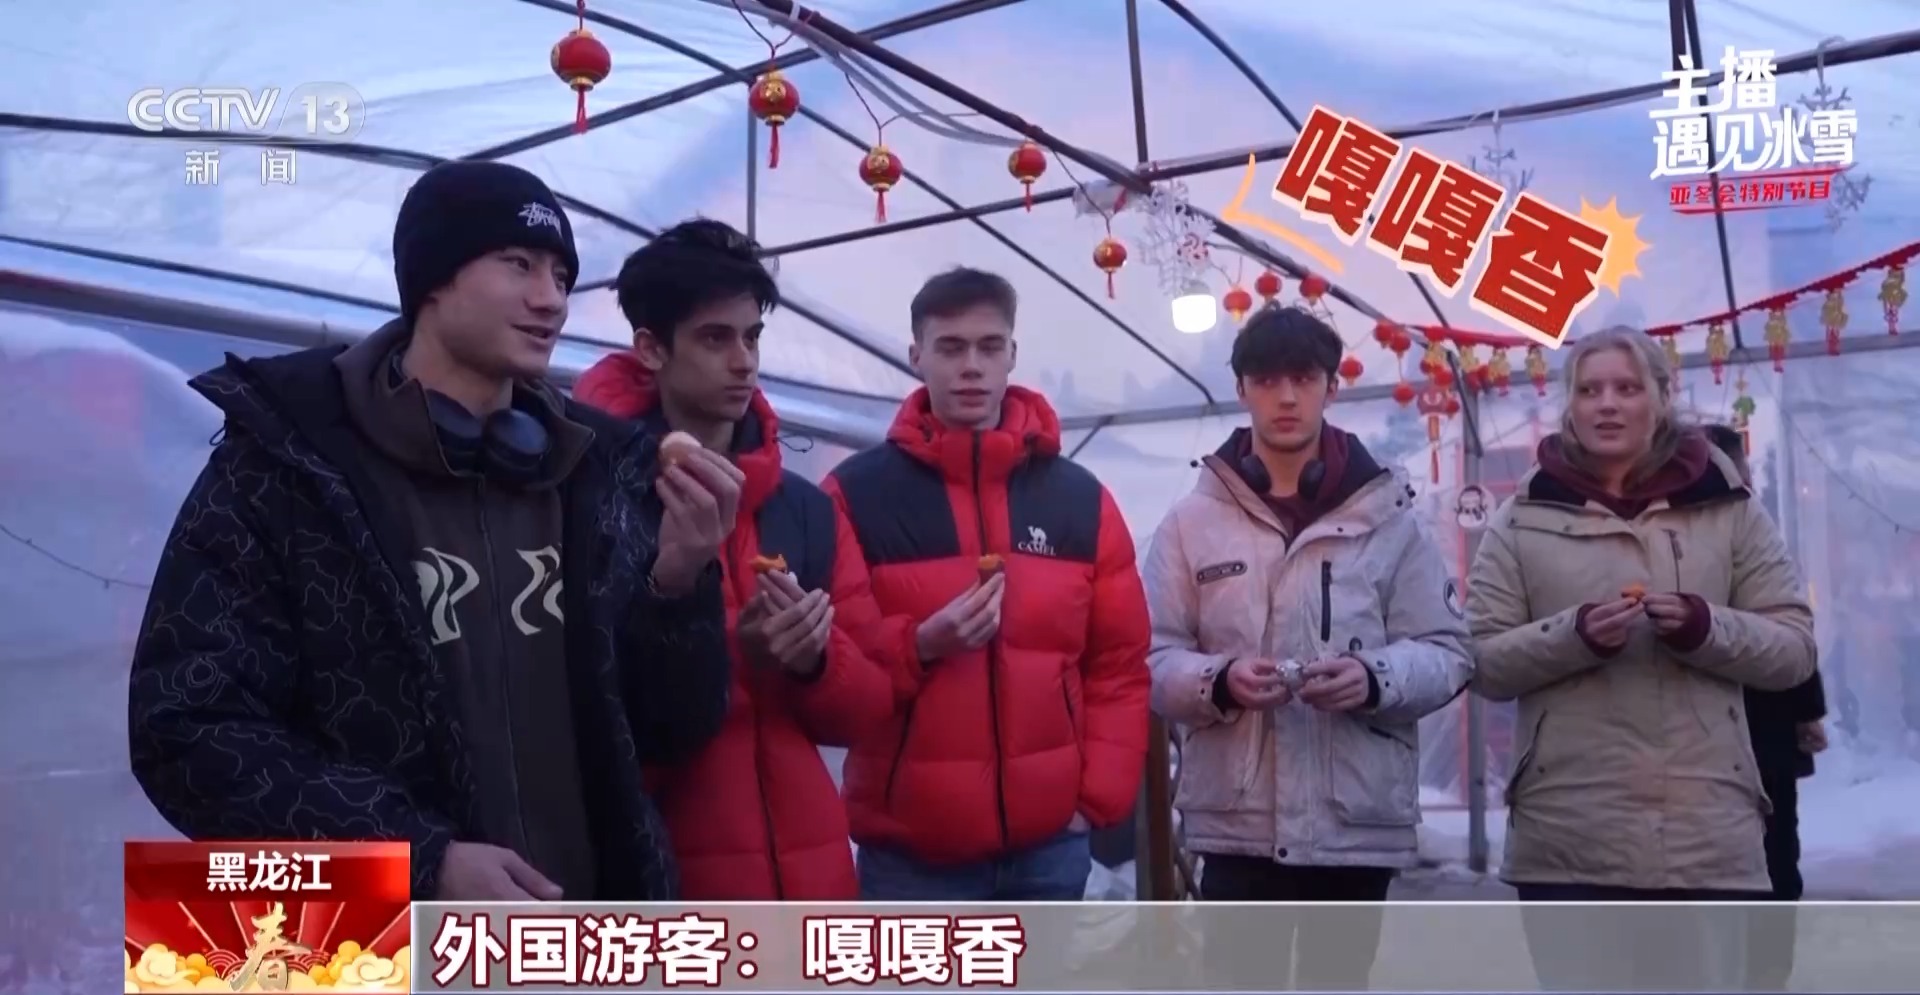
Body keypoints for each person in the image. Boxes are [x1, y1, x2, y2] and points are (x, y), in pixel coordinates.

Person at [128, 161, 737, 902]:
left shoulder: (599, 472)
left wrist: (678, 584)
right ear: (432, 280)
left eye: (561, 276)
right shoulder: (288, 466)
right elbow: (186, 729)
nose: (551, 299)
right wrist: (420, 859)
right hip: (379, 939)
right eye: (518, 264)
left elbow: (674, 729)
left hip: (580, 936)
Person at [1466, 327, 1817, 989]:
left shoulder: (1729, 509)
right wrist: (1572, 636)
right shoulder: (1521, 516)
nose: (1607, 404)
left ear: (1660, 397)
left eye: (1627, 388)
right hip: (1567, 834)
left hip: (1703, 832)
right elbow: (1480, 661)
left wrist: (1706, 627)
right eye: (1590, 389)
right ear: (1570, 404)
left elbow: (1794, 648)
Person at [1141, 304, 1473, 990]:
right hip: (1237, 823)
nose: (1286, 397)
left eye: (1303, 378)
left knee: (1337, 982)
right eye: (1267, 380)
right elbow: (1150, 655)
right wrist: (1219, 681)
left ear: (1332, 386)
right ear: (1241, 389)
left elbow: (1448, 651)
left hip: (1355, 823)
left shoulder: (1390, 518)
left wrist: (1374, 677)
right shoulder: (1190, 523)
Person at [572, 218, 895, 899]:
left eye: (752, 337)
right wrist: (709, 641)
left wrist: (814, 660)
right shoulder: (592, 494)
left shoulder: (806, 508)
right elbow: (588, 724)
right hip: (670, 882)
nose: (744, 361)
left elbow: (869, 709)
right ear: (651, 349)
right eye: (715, 338)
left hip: (814, 880)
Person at [823, 267, 1151, 902]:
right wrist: (920, 645)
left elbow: (1118, 664)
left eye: (988, 346)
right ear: (916, 356)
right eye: (950, 348)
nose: (971, 366)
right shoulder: (856, 494)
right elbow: (837, 667)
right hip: (912, 857)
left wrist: (1094, 800)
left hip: (1050, 848)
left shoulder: (1079, 499)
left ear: (1012, 355)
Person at [1701, 423, 1828, 990]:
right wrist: (1807, 711)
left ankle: (1761, 975)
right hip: (1745, 723)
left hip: (1750, 724)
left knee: (1768, 860)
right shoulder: (1734, 526)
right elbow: (1790, 624)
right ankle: (1761, 975)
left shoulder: (1732, 526)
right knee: (1768, 860)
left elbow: (1790, 628)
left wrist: (1807, 709)